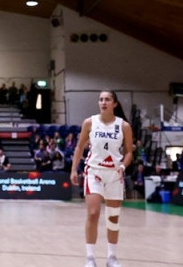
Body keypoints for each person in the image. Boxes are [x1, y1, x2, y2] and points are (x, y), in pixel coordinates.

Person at [70, 91, 133, 267]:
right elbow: (80, 147)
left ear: (115, 104)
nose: (103, 102)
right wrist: (74, 169)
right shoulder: (89, 122)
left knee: (113, 217)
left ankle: (112, 257)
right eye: (101, 99)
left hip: (115, 173)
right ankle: (90, 258)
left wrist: (122, 166)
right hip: (94, 172)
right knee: (93, 213)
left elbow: (129, 152)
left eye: (107, 99)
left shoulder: (124, 126)